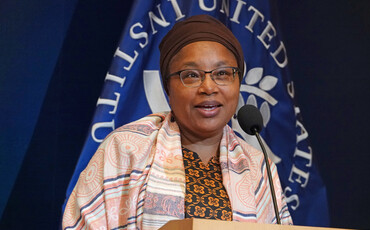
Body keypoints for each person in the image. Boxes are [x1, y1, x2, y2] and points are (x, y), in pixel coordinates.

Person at [62, 14, 292, 230]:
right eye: (191, 75)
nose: (209, 87)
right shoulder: (124, 149)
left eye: (222, 73)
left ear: (238, 83)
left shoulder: (258, 167)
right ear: (168, 88)